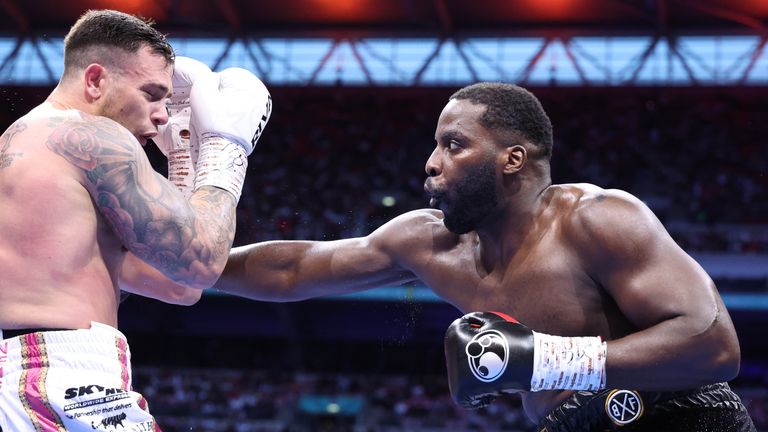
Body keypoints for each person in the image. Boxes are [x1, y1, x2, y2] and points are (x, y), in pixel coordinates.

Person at [215, 82, 755, 430]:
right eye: (435, 145)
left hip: (677, 415)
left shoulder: (597, 218)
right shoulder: (429, 243)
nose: (430, 163)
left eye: (453, 144)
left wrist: (544, 359)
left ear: (512, 159)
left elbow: (713, 346)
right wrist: (184, 260)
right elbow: (293, 268)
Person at [0, 9, 271, 431]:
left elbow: (178, 285)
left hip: (35, 374)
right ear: (95, 80)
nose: (163, 114)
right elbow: (200, 260)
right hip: (63, 379)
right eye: (151, 93)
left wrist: (182, 155)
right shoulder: (89, 137)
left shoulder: (32, 148)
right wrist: (223, 149)